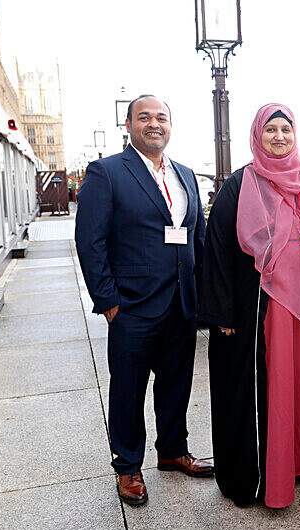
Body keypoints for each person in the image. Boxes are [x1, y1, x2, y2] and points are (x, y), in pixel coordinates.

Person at [199, 103, 300, 509]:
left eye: (286, 129)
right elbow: (217, 249)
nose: (279, 136)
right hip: (266, 312)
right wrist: (222, 312)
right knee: (274, 386)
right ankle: (271, 473)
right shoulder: (241, 185)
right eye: (271, 130)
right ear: (258, 135)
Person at [75, 95, 212, 506]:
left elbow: (198, 237)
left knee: (176, 384)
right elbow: (90, 240)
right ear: (129, 124)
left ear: (170, 125)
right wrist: (108, 300)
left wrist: (204, 294)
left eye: (161, 118)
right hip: (132, 305)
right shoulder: (106, 172)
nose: (154, 124)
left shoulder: (185, 174)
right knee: (128, 390)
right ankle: (128, 467)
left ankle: (172, 450)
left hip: (181, 303)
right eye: (145, 117)